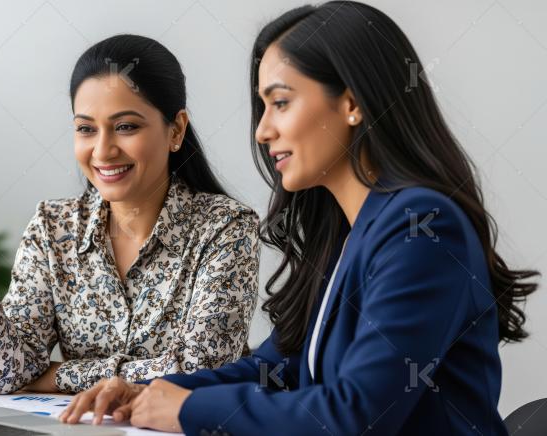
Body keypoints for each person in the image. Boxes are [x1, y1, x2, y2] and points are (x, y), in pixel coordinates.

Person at [59, 2, 539, 433]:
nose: (264, 130)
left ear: (352, 103)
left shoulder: (423, 226)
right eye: (263, 107)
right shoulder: (346, 231)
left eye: (281, 102)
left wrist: (186, 411)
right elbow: (278, 366)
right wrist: (153, 392)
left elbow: (355, 415)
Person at [0, 34, 260, 395]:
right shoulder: (54, 227)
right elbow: (6, 376)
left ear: (176, 129)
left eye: (126, 126)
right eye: (85, 129)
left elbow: (202, 368)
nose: (103, 150)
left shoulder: (225, 227)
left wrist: (55, 376)